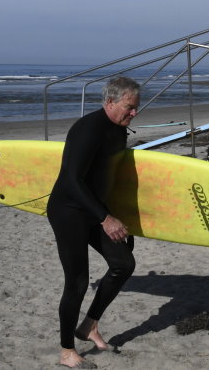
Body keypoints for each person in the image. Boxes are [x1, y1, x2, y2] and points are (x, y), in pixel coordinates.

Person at [47, 76, 141, 369]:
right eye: (129, 107)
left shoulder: (118, 130)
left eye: (136, 107)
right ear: (110, 102)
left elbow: (106, 178)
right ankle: (67, 351)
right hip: (69, 211)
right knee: (77, 282)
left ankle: (89, 325)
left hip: (96, 210)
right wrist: (105, 218)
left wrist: (115, 215)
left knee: (123, 263)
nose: (134, 112)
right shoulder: (88, 129)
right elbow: (72, 180)